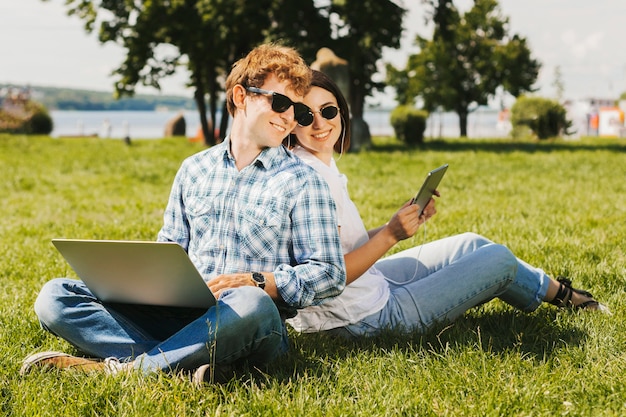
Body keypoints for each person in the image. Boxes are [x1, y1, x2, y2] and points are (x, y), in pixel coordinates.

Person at [20, 45, 346, 383]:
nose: (289, 117)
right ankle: (192, 362)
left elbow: (330, 273)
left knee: (253, 303)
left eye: (295, 109)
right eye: (279, 103)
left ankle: (127, 369)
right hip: (181, 315)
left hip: (249, 321)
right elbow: (171, 247)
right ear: (240, 96)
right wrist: (144, 284)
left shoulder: (304, 181)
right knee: (56, 297)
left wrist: (259, 281)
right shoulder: (193, 170)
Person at [285, 70, 609, 338]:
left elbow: (340, 247)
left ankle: (562, 294)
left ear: (341, 112)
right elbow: (326, 275)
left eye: (328, 111)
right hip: (362, 320)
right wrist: (391, 236)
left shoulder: (314, 163)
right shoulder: (312, 179)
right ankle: (570, 299)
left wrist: (394, 224)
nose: (319, 123)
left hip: (360, 297)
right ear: (290, 122)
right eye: (304, 116)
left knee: (470, 243)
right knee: (498, 260)